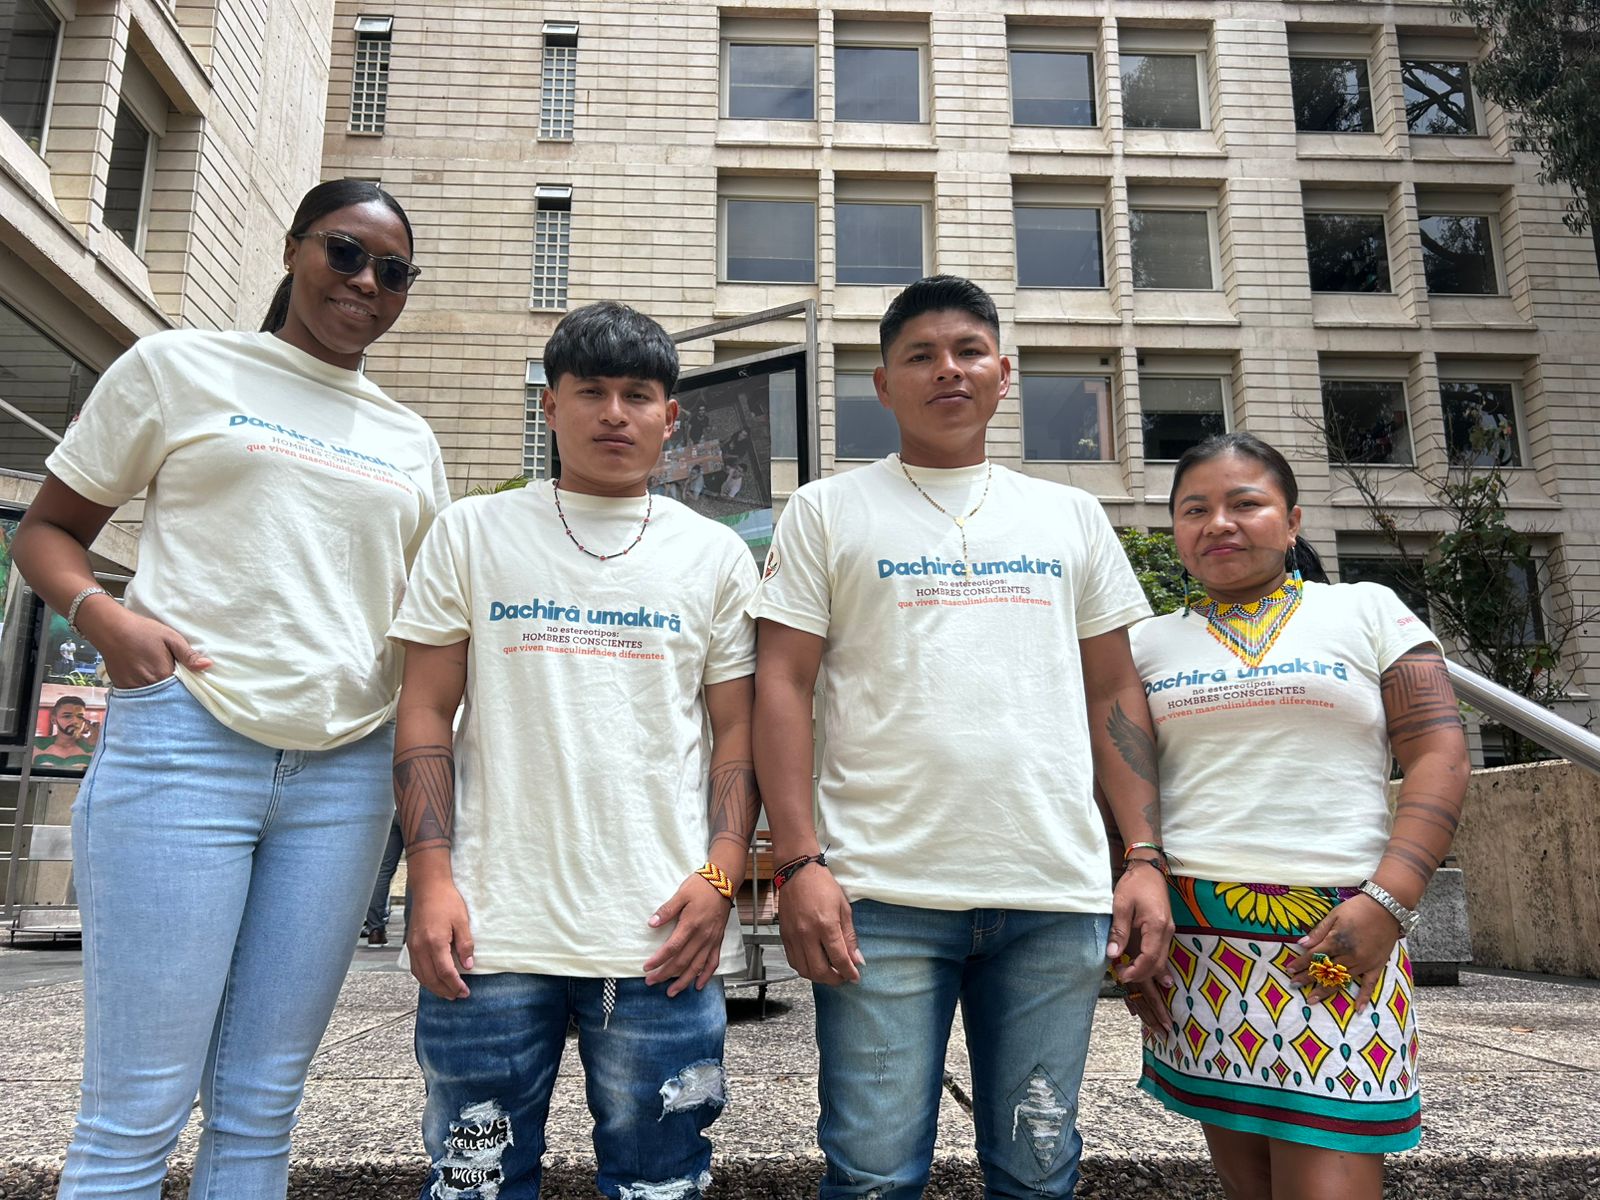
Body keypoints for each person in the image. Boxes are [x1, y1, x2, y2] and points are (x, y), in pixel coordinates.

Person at [12, 178, 448, 1200]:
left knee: (260, 1105)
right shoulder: (179, 368)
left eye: (393, 271)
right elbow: (47, 533)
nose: (366, 282)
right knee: (135, 1110)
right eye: (346, 252)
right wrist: (106, 621)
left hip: (344, 775)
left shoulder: (409, 439)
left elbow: (425, 623)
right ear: (295, 248)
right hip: (185, 748)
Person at [751, 275, 1174, 1198]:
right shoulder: (827, 511)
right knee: (869, 1177)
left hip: (1052, 899)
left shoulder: (1068, 515)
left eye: (969, 351)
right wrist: (797, 862)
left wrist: (1142, 855)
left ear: (1003, 373)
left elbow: (1115, 690)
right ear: (882, 383)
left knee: (1038, 1171)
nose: (949, 370)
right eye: (921, 355)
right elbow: (779, 685)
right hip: (881, 899)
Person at [389, 301, 761, 1200]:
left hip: (657, 939)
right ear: (548, 408)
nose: (613, 414)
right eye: (588, 391)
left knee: (660, 1183)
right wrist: (429, 881)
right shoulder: (471, 534)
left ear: (670, 417)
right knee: (474, 1183)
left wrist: (721, 880)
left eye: (638, 395)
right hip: (489, 932)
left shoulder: (714, 556)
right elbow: (426, 710)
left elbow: (739, 730)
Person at [1122, 433, 1469, 1200]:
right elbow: (1119, 792)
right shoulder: (1144, 643)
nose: (1219, 523)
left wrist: (1389, 902)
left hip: (1346, 929)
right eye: (1195, 509)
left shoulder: (1368, 609)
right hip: (1197, 943)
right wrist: (1126, 939)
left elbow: (1439, 754)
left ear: (1293, 517)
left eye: (1245, 503)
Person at [362, 815, 406, 946]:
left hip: (390, 811)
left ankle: (375, 930)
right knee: (417, 868)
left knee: (383, 871)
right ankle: (410, 933)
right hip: (414, 808)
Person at [32, 695, 99, 770]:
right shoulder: (36, 745)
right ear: (53, 719)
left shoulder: (94, 748)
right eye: (67, 716)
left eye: (80, 717)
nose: (75, 721)